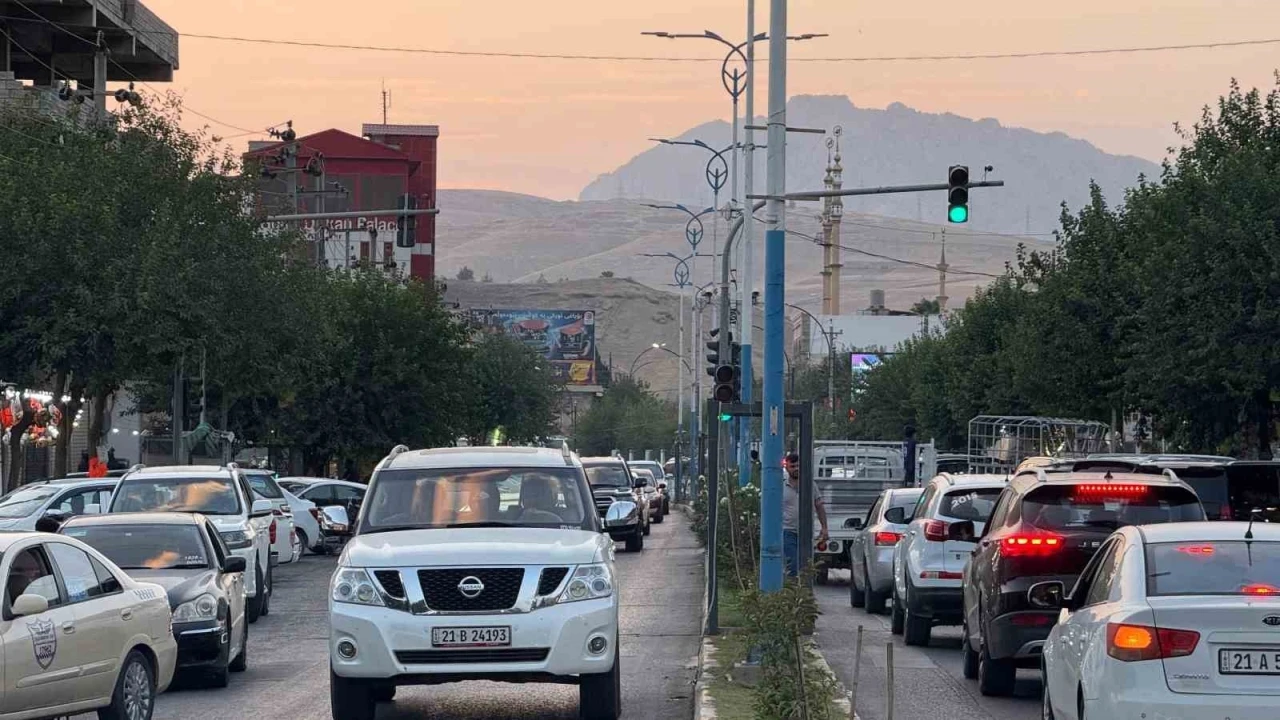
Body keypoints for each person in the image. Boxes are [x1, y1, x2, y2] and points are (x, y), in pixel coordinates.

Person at [782, 451, 828, 578]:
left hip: (806, 532)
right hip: (788, 531)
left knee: (807, 565)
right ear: (787, 467)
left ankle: (804, 588)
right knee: (792, 564)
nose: (796, 469)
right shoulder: (781, 485)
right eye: (792, 466)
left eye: (798, 466)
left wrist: (824, 527)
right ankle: (793, 587)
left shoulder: (810, 484)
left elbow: (819, 506)